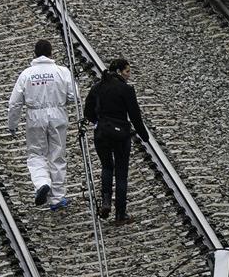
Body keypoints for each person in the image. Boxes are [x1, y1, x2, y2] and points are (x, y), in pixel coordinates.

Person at [8, 39, 78, 211]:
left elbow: (15, 103)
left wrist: (13, 124)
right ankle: (57, 198)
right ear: (51, 53)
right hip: (58, 114)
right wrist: (61, 102)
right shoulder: (62, 71)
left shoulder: (27, 74)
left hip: (35, 116)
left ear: (35, 53)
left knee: (36, 154)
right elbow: (74, 96)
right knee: (57, 155)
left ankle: (42, 183)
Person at [83, 58, 148, 224]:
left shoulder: (97, 87)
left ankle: (105, 202)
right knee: (121, 173)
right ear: (119, 71)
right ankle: (120, 214)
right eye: (127, 71)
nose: (129, 75)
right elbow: (135, 116)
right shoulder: (126, 89)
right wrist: (144, 136)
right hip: (121, 135)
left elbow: (87, 112)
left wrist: (99, 122)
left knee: (106, 166)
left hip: (102, 133)